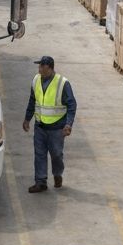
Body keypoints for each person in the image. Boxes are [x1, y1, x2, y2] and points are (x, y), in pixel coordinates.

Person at [22, 55, 77, 193]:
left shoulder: (63, 83)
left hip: (56, 128)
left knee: (56, 154)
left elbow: (72, 104)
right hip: (40, 126)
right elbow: (32, 100)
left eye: (42, 66)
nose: (39, 69)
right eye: (39, 66)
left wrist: (68, 124)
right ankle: (41, 182)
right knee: (39, 154)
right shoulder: (36, 80)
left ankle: (57, 174)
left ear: (50, 68)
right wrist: (27, 118)